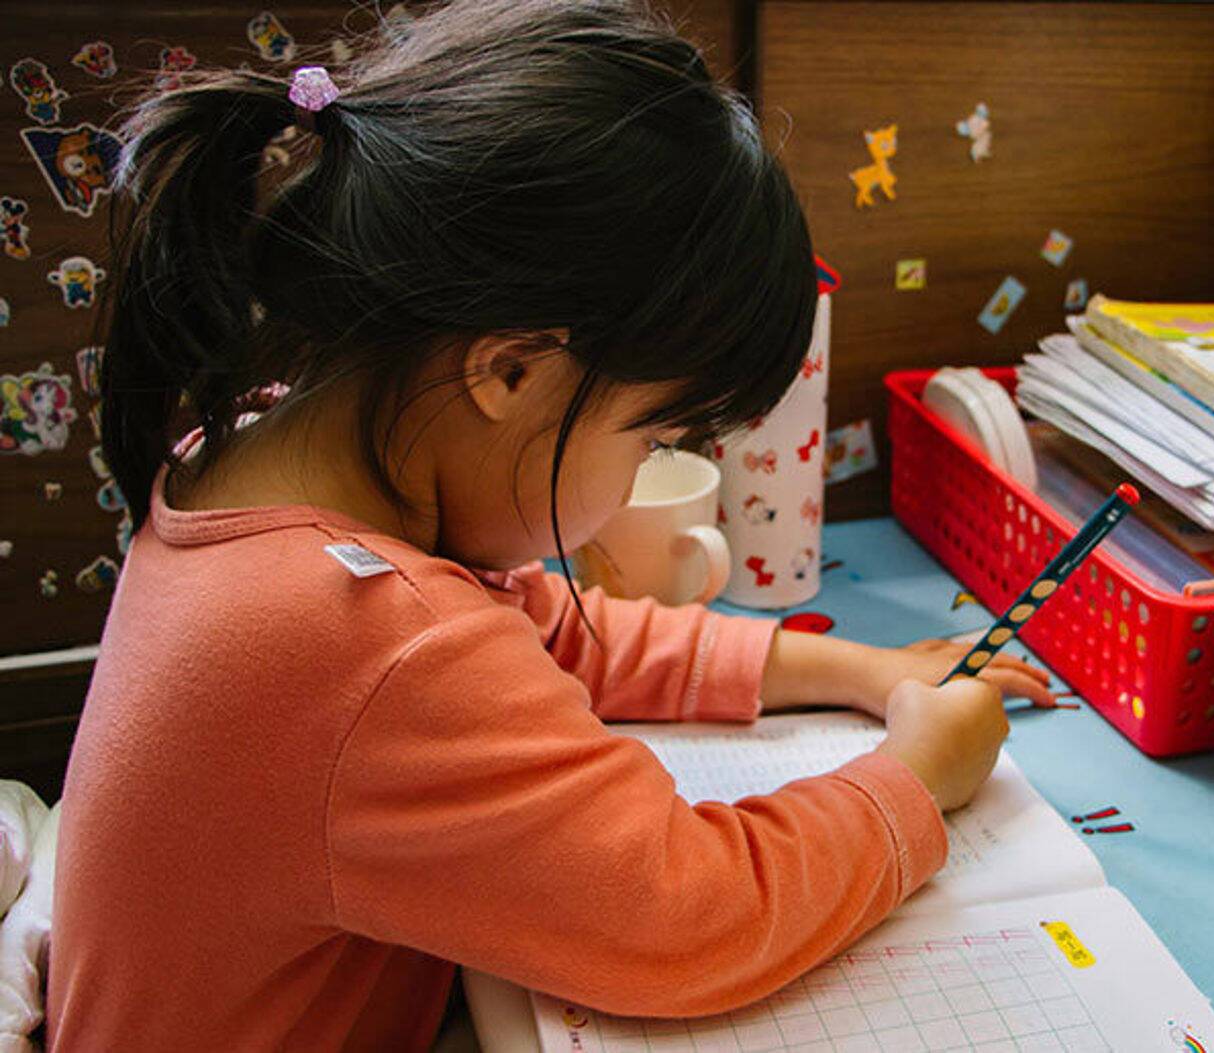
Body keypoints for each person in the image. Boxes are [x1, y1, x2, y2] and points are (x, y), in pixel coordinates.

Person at [48, 2, 1052, 1048]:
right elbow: (686, 915)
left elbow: (546, 629)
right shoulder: (370, 639)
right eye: (657, 436)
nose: (643, 477)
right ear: (511, 369)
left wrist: (856, 673)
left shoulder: (256, 457)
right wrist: (916, 782)